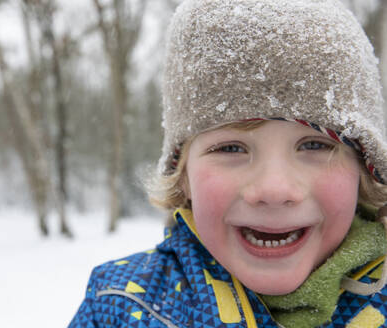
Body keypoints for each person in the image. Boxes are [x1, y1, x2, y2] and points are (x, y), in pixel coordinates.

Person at [69, 0, 387, 327]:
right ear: (183, 176)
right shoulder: (120, 308)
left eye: (315, 145)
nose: (274, 189)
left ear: (365, 170)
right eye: (232, 148)